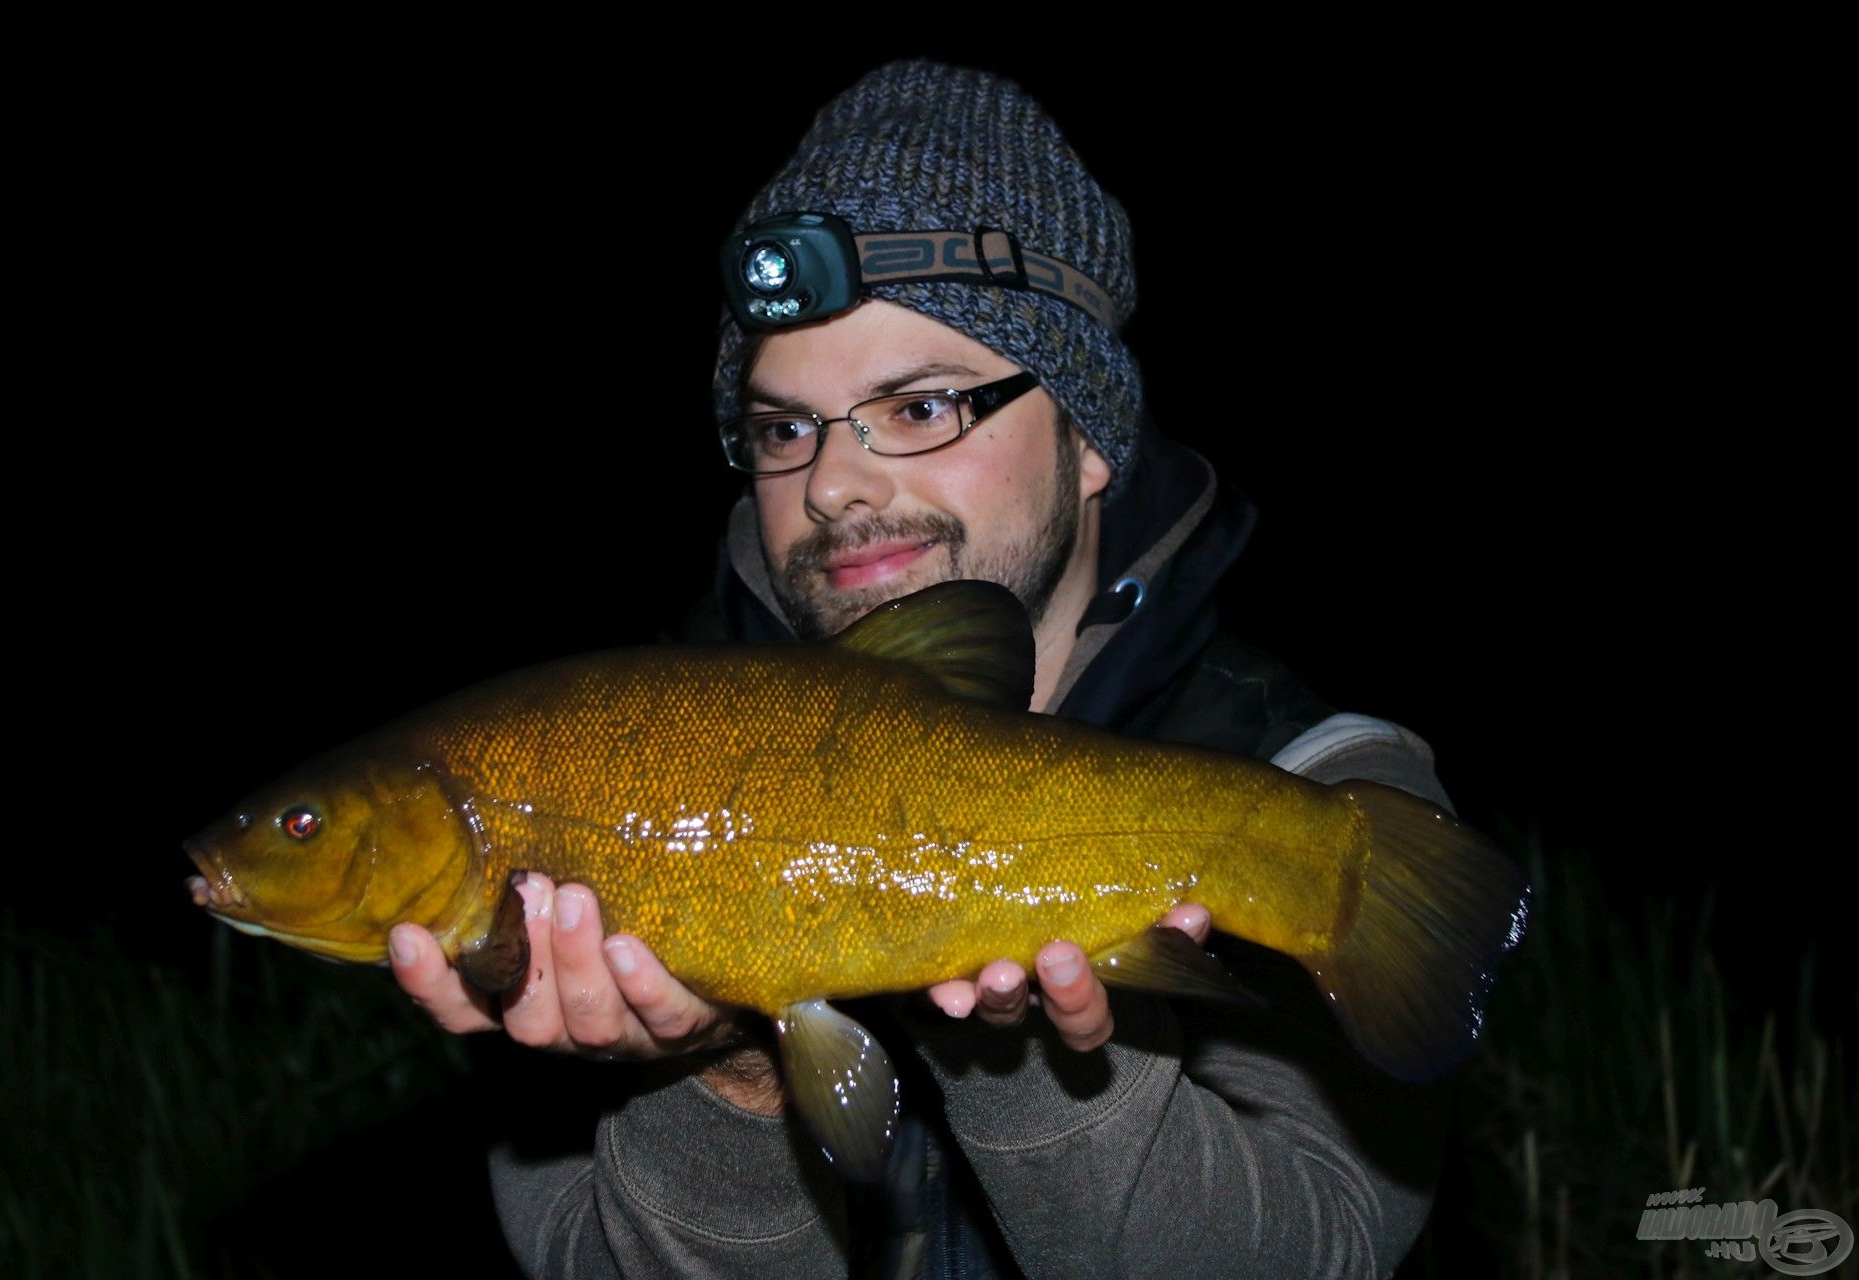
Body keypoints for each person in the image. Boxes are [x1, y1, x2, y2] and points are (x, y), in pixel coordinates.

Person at [392, 58, 1458, 1278]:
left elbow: (1312, 1255)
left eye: (920, 407)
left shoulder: (1322, 787)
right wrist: (719, 1068)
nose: (833, 484)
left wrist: (1038, 1057)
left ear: (1089, 435)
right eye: (784, 428)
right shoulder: (606, 789)